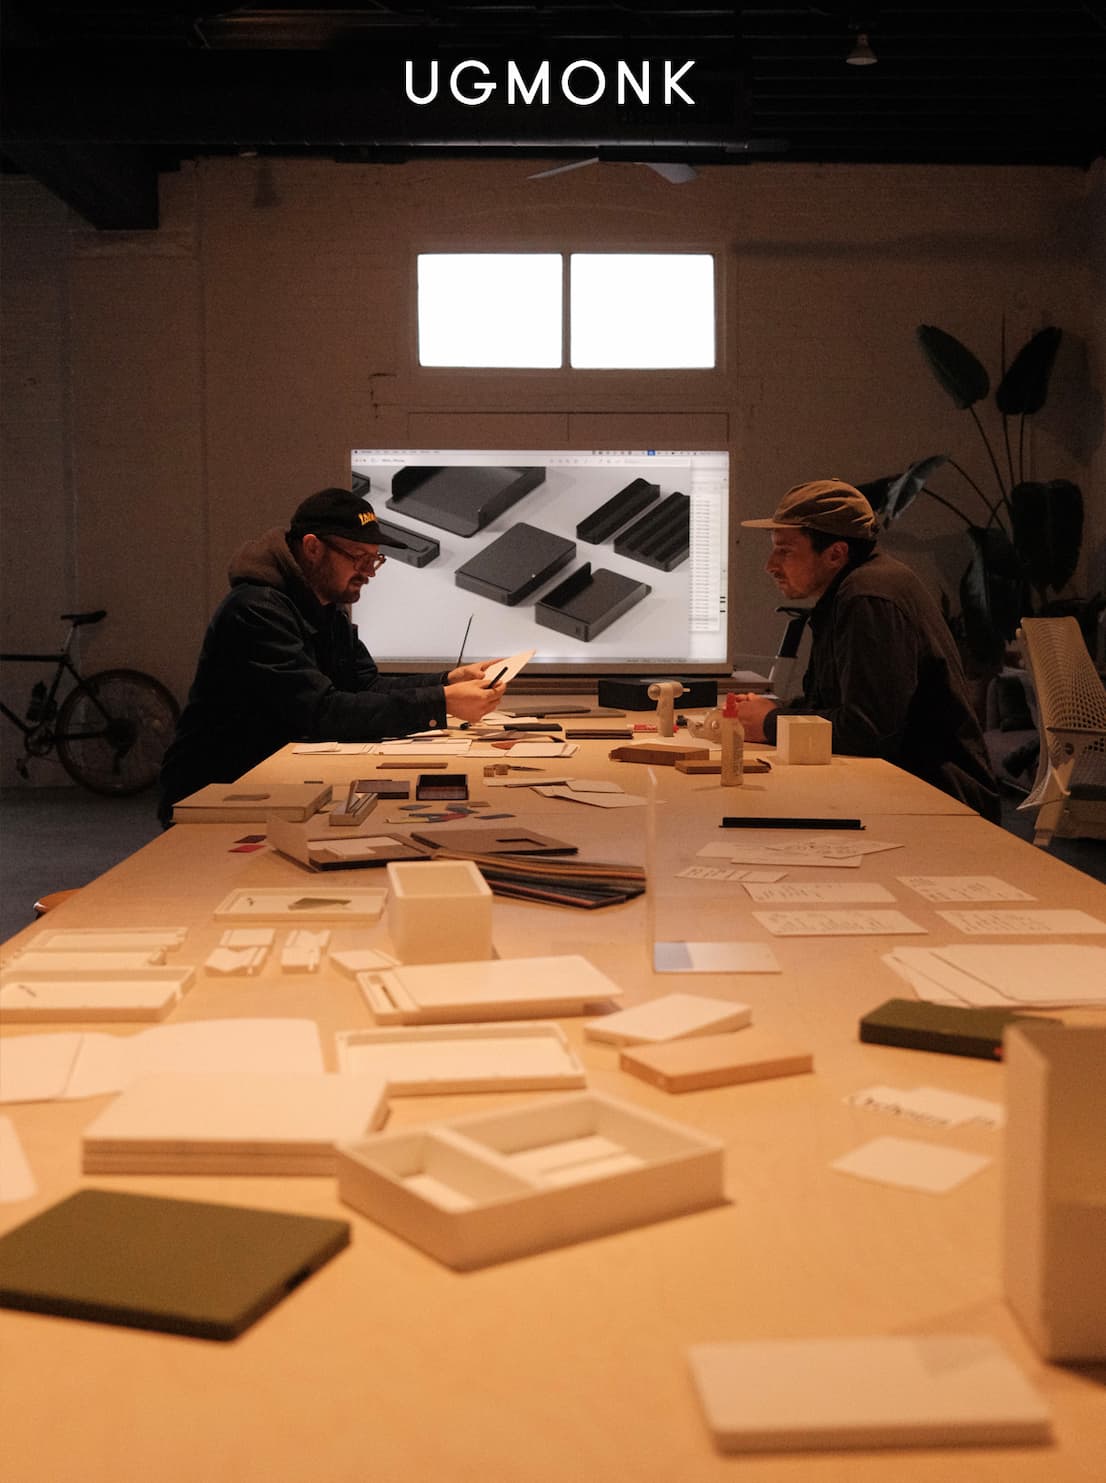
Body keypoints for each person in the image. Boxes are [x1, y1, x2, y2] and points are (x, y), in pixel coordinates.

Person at [158, 488, 504, 823]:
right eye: (359, 558)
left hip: (279, 785)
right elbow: (320, 711)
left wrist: (447, 682)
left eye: (375, 560)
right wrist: (441, 702)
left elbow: (365, 684)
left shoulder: (326, 608)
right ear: (312, 548)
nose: (369, 572)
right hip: (219, 792)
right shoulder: (256, 609)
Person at [732, 479, 1001, 822]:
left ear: (836, 553)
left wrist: (770, 722)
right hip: (900, 787)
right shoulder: (855, 589)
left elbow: (867, 732)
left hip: (936, 802)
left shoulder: (868, 597)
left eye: (785, 551)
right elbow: (838, 708)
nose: (770, 565)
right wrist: (773, 712)